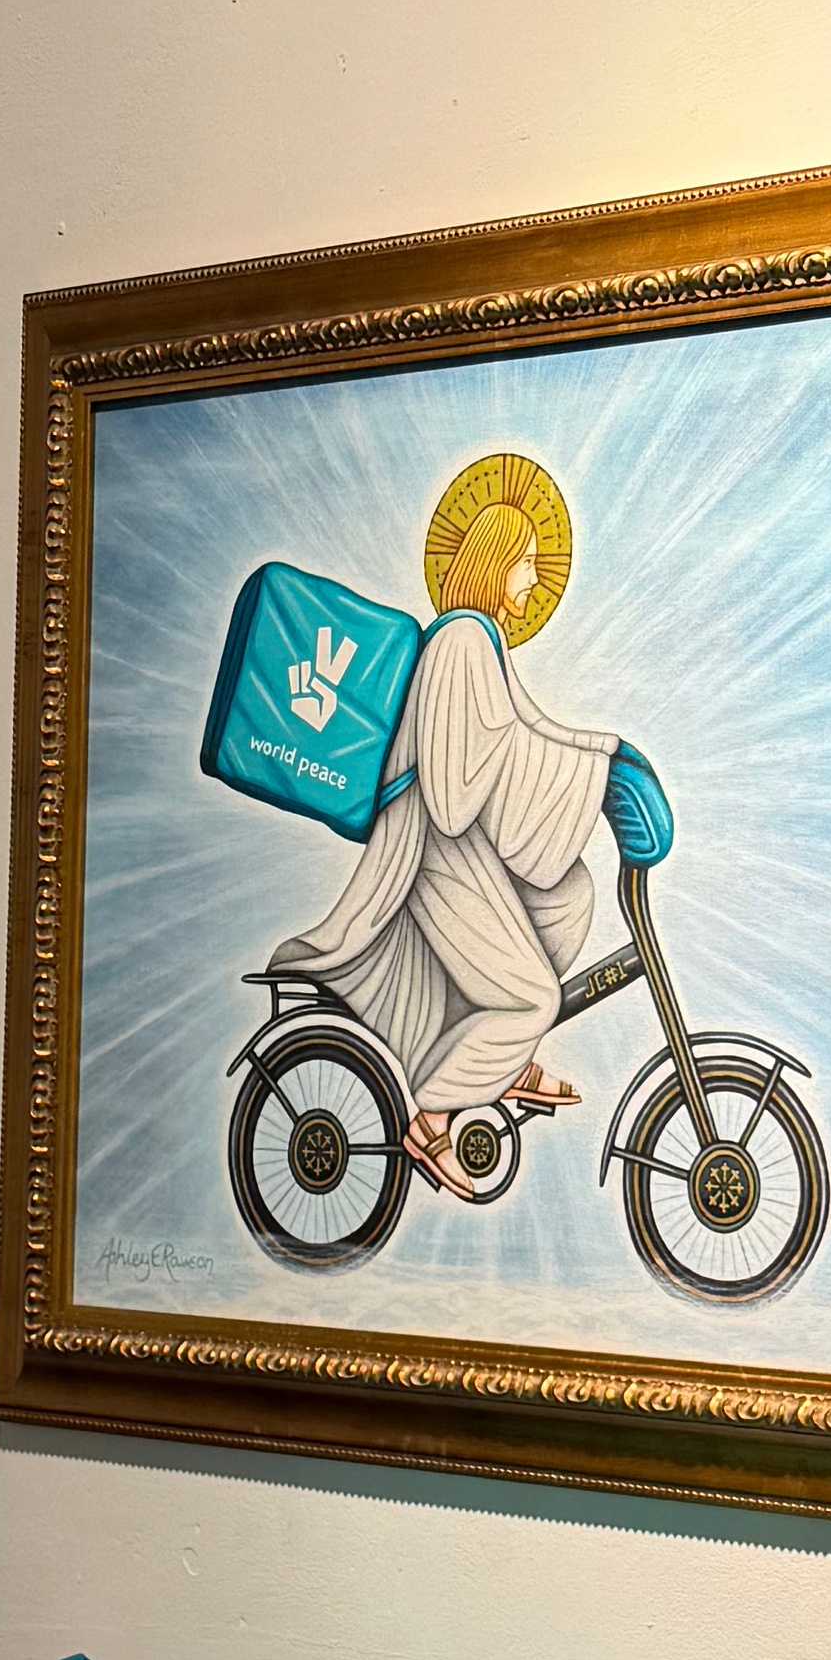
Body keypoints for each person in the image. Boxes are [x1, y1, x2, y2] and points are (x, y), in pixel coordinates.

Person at [269, 464, 665, 1195]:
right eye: (525, 562)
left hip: (458, 846)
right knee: (532, 998)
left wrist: (607, 758)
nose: (533, 578)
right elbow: (457, 796)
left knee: (569, 895)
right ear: (493, 561)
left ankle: (500, 1060)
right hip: (432, 852)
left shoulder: (486, 644)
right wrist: (589, 778)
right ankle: (431, 1121)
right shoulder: (459, 645)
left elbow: (533, 732)